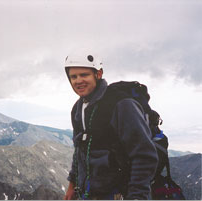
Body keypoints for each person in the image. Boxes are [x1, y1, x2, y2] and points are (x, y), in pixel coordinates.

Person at [63, 51, 158, 200]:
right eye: (73, 77)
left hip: (120, 194)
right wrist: (72, 184)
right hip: (89, 194)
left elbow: (145, 155)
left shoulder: (121, 104)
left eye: (84, 75)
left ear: (98, 74)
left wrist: (136, 196)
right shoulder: (78, 108)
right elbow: (79, 151)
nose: (78, 81)